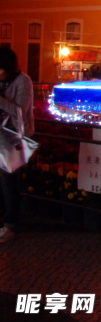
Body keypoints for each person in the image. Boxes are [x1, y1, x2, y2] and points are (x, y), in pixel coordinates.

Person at [0, 47, 34, 243]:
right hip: (1, 134)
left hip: (15, 136)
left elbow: (20, 111)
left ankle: (10, 225)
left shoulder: (24, 81)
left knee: (9, 180)